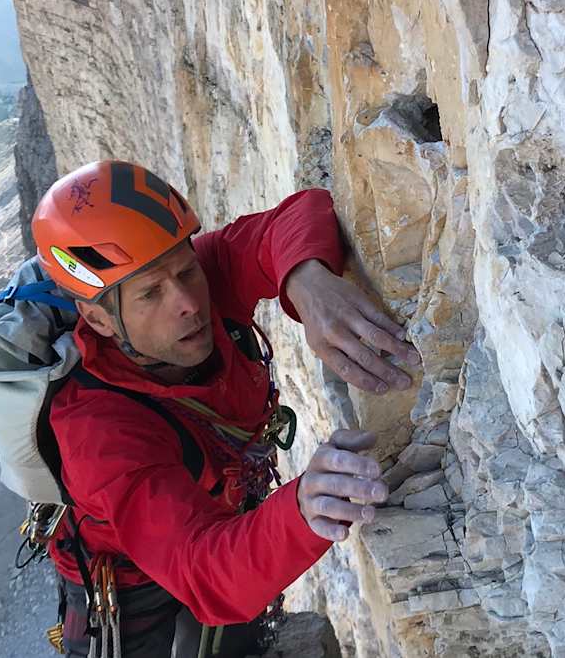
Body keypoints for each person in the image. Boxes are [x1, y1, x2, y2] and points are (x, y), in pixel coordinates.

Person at [30, 160, 421, 657]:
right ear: (99, 320)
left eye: (186, 269)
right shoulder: (98, 434)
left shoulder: (199, 280)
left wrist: (306, 280)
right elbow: (203, 574)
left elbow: (296, 215)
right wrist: (302, 510)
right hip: (131, 586)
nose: (188, 302)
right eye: (151, 293)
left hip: (216, 513)